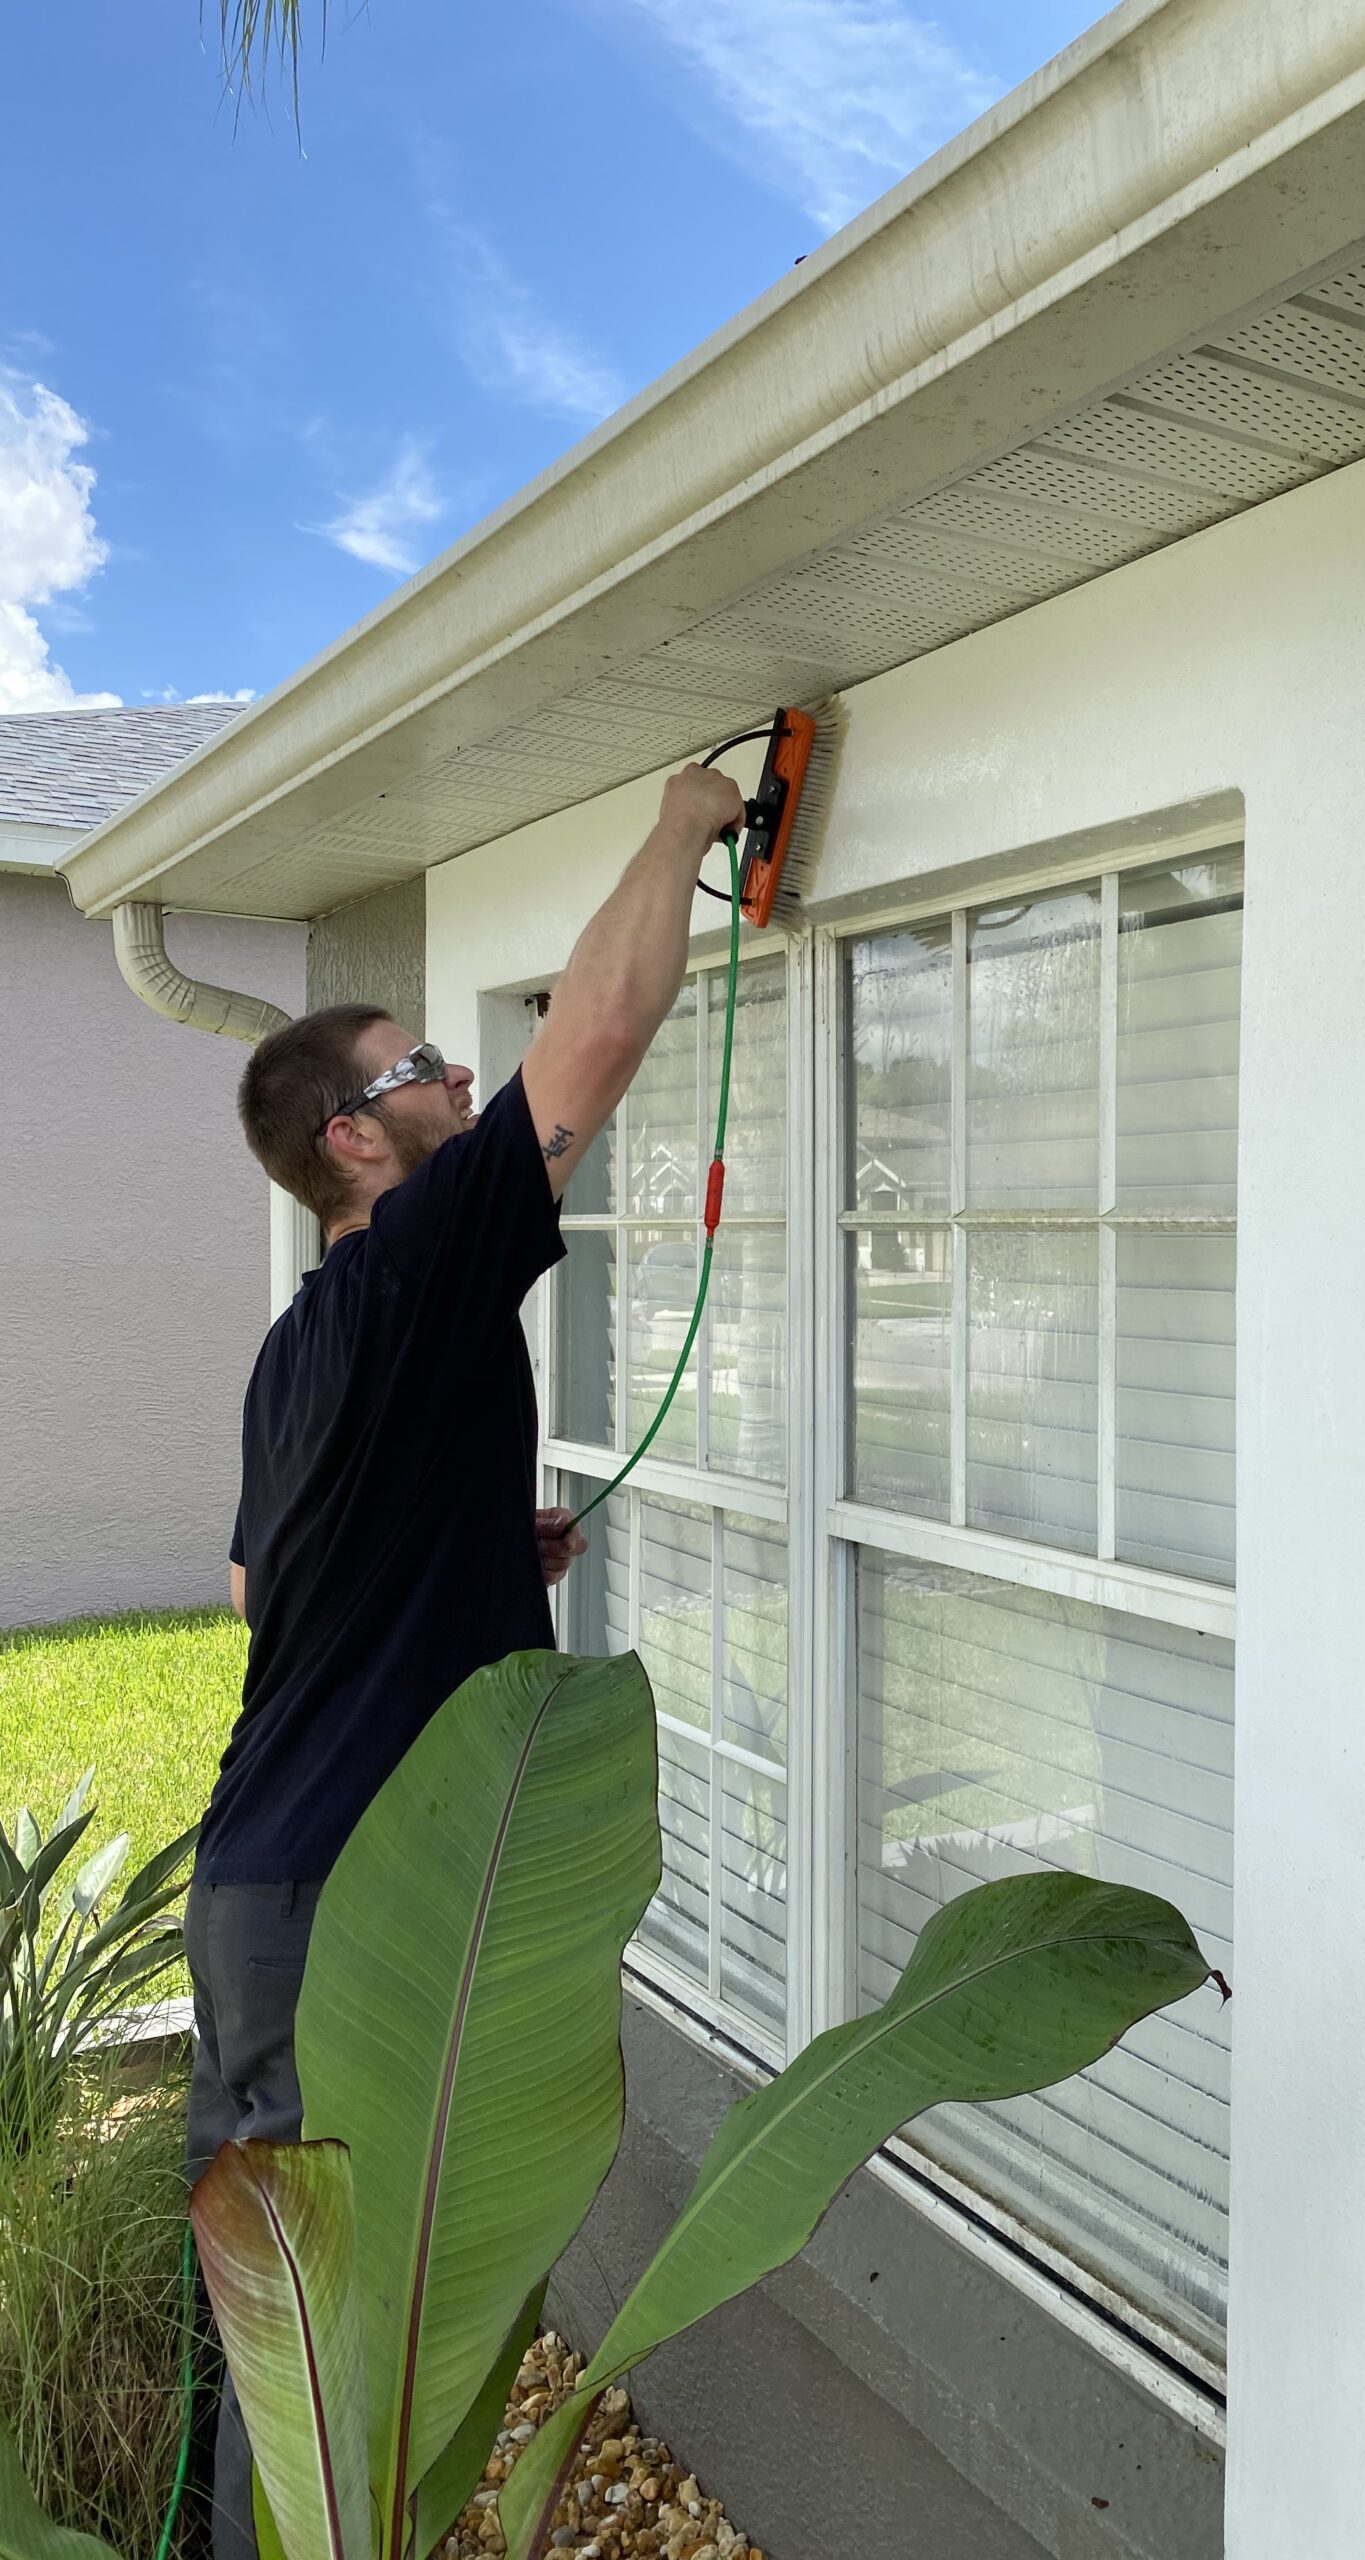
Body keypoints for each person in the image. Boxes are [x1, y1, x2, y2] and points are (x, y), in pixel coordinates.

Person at [185, 761, 746, 2560]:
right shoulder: (412, 1263)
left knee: (303, 2341)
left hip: (285, 1876)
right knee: (305, 2377)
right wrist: (681, 826)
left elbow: (269, 1594)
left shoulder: (312, 1341)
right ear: (357, 1137)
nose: (451, 1078)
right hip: (324, 1891)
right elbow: (592, 1042)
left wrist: (467, 1555)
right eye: (423, 1064)